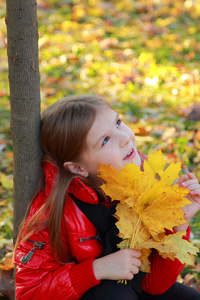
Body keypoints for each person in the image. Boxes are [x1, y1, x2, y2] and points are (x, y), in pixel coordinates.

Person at [14, 95, 200, 300]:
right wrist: (95, 270)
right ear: (77, 168)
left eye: (118, 123)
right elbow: (29, 292)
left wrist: (178, 224)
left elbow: (154, 285)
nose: (125, 138)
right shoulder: (51, 212)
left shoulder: (145, 181)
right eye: (105, 140)